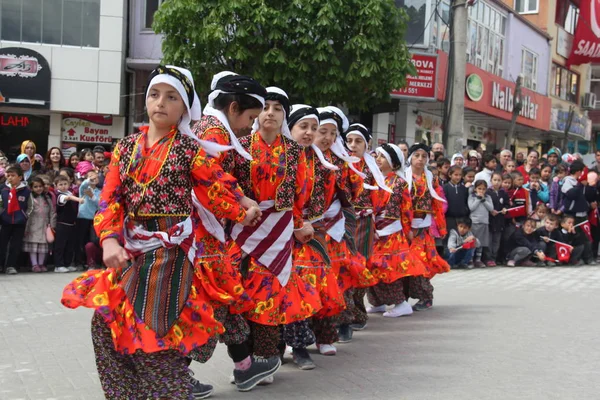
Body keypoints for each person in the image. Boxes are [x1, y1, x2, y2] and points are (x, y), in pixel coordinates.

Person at [61, 65, 258, 398]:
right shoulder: (125, 148)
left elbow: (216, 185)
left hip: (170, 256)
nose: (161, 103)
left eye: (171, 97)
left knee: (154, 331)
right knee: (106, 324)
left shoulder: (188, 148)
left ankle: (168, 391)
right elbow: (109, 199)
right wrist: (108, 240)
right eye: (154, 94)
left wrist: (243, 206)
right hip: (132, 250)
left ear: (185, 108)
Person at [229, 87, 316, 381]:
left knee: (267, 298)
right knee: (240, 298)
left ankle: (265, 359)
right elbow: (228, 187)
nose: (270, 113)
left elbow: (299, 194)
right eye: (265, 107)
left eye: (277, 108)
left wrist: (300, 224)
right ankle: (244, 362)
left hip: (278, 233)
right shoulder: (240, 145)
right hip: (244, 230)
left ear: (284, 116)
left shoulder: (293, 152)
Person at [283, 104, 345, 370]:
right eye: (303, 127)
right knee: (288, 290)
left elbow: (324, 199)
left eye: (314, 128)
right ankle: (287, 349)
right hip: (281, 233)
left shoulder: (322, 162)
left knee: (311, 288)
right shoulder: (282, 156)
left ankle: (306, 344)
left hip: (312, 233)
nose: (309, 133)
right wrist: (297, 222)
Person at [367, 143, 426, 317]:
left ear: (394, 163)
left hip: (391, 233)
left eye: (382, 156)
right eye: (376, 155)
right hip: (375, 231)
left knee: (387, 269)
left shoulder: (399, 183)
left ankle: (401, 303)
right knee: (370, 267)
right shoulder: (374, 179)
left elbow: (406, 209)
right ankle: (377, 302)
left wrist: (407, 230)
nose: (378, 159)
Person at [344, 123, 391, 330]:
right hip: (340, 224)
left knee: (359, 266)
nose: (353, 145)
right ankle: (341, 314)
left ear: (367, 144)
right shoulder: (340, 164)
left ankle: (357, 313)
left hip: (363, 224)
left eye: (358, 141)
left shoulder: (372, 168)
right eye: (349, 140)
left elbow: (381, 198)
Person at [404, 143, 449, 311]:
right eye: (417, 155)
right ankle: (403, 297)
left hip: (424, 229)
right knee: (406, 264)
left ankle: (426, 297)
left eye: (423, 156)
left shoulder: (431, 178)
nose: (420, 159)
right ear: (410, 158)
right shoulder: (403, 177)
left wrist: (441, 227)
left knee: (421, 262)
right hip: (406, 228)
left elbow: (437, 204)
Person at [0, 164, 32, 274]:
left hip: (19, 222)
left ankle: (11, 266)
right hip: (5, 221)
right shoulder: (3, 189)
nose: (10, 178)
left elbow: (30, 206)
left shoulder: (26, 190)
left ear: (20, 177)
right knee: (2, 244)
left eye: (13, 175)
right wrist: (2, 213)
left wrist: (25, 215)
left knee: (16, 245)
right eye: (8, 175)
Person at [23, 176, 55, 272]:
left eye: (40, 186)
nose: (38, 189)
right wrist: (26, 227)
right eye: (35, 187)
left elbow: (52, 211)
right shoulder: (30, 197)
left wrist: (52, 224)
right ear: (31, 188)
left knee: (42, 247)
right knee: (33, 247)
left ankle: (41, 264)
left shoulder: (47, 197)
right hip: (33, 224)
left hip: (44, 225)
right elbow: (27, 211)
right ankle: (34, 265)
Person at [53, 175, 83, 273]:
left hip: (72, 224)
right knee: (60, 246)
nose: (63, 186)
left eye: (65, 184)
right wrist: (78, 199)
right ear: (56, 186)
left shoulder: (70, 192)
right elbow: (68, 198)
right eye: (60, 184)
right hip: (62, 224)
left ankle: (67, 263)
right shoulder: (60, 195)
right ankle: (58, 265)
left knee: (70, 245)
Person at [77, 170, 101, 270]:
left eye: (95, 177)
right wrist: (88, 180)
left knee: (92, 241)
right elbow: (83, 185)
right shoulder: (84, 188)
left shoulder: (100, 191)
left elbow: (100, 204)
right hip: (83, 217)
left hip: (94, 219)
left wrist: (92, 196)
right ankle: (81, 262)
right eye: (91, 177)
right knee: (81, 240)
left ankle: (91, 261)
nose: (93, 179)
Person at [468, 180, 493, 268]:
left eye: (483, 189)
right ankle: (470, 260)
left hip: (484, 222)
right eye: (479, 188)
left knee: (481, 242)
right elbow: (471, 207)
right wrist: (478, 199)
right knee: (473, 242)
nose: (481, 191)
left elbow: (491, 208)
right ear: (475, 189)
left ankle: (478, 260)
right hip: (474, 222)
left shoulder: (488, 197)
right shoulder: (472, 197)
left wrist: (483, 199)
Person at [486, 172, 508, 266]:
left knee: (497, 241)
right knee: (489, 241)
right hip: (490, 221)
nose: (497, 182)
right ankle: (488, 258)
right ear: (491, 181)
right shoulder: (487, 192)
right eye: (495, 180)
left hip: (499, 221)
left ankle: (494, 257)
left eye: (499, 180)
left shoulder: (503, 193)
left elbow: (507, 204)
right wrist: (490, 211)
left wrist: (505, 209)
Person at [443, 165, 470, 240]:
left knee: (460, 239)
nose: (458, 177)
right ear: (450, 175)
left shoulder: (464, 188)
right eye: (456, 175)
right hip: (449, 218)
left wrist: (465, 211)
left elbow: (466, 201)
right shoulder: (445, 188)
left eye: (460, 175)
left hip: (461, 218)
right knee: (449, 239)